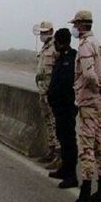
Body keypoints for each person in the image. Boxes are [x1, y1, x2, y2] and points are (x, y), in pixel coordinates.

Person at [67, 10, 101, 202]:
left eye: (75, 25)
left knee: (86, 147)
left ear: (80, 25)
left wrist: (99, 86)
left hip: (88, 102)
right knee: (99, 146)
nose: (74, 29)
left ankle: (85, 196)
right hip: (99, 104)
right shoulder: (100, 45)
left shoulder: (86, 45)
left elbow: (88, 74)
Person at [47, 28, 79, 189]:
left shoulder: (72, 58)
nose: (55, 45)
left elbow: (67, 85)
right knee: (62, 137)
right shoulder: (61, 58)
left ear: (61, 42)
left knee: (69, 141)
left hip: (67, 107)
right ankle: (64, 169)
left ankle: (71, 175)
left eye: (56, 42)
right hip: (59, 107)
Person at [35, 21, 61, 170]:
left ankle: (58, 153)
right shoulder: (45, 48)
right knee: (48, 121)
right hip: (42, 89)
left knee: (54, 122)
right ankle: (51, 149)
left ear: (51, 31)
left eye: (45, 32)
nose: (42, 35)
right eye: (41, 32)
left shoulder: (55, 47)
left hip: (51, 90)